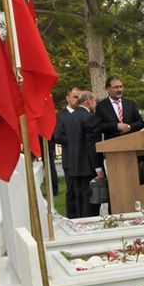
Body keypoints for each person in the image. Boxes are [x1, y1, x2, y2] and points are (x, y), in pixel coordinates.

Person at [53, 91, 105, 218]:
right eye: (94, 101)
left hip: (74, 166)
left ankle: (80, 223)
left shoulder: (70, 117)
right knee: (90, 201)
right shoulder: (89, 117)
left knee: (79, 199)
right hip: (88, 166)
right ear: (88, 101)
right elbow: (92, 145)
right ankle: (89, 226)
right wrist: (98, 167)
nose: (95, 104)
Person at [51, 87, 81, 218]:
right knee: (72, 190)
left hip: (84, 159)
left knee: (83, 191)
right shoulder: (61, 116)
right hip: (70, 159)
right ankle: (72, 217)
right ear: (68, 98)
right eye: (75, 97)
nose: (77, 100)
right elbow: (56, 136)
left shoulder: (83, 113)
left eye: (80, 97)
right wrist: (74, 140)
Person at [96, 76, 144, 140]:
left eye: (121, 86)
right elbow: (98, 126)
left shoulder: (130, 104)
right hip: (111, 145)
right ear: (108, 89)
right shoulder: (101, 106)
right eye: (116, 87)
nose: (119, 90)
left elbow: (141, 123)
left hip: (131, 143)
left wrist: (129, 127)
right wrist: (116, 126)